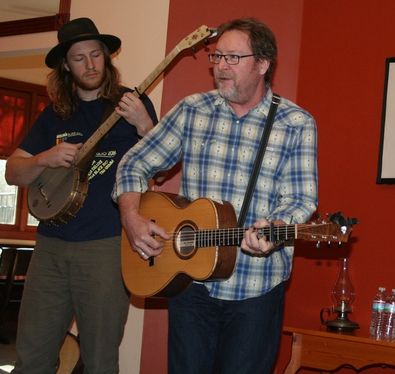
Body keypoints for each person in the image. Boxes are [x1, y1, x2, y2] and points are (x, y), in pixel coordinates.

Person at [114, 17, 318, 373]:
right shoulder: (193, 110)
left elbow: (301, 199)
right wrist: (131, 217)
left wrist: (274, 227)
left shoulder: (295, 123)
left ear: (263, 64)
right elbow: (133, 164)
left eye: (233, 58)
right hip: (191, 287)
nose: (221, 66)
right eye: (217, 57)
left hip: (256, 289)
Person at [4, 17, 158, 373]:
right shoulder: (55, 115)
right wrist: (45, 158)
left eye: (96, 55)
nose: (90, 64)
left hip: (105, 248)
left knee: (100, 359)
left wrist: (144, 124)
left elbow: (162, 165)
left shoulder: (132, 104)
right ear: (66, 66)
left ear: (106, 58)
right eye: (79, 58)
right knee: (32, 354)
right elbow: (13, 171)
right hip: (50, 248)